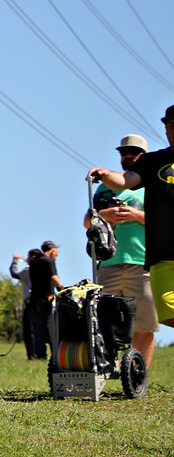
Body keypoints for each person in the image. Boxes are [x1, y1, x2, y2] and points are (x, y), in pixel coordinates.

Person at [89, 106, 174, 330]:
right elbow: (125, 180)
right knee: (168, 311)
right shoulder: (154, 161)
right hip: (163, 255)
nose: (173, 129)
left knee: (147, 325)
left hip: (142, 262)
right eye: (169, 125)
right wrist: (106, 175)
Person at [82, 134, 158, 366]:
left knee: (145, 324)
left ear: (143, 156)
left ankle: (138, 374)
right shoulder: (105, 188)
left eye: (133, 153)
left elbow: (166, 220)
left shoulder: (153, 185)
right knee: (104, 321)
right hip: (108, 263)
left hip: (142, 261)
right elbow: (87, 221)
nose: (128, 157)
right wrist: (104, 215)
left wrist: (136, 215)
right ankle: (106, 369)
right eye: (124, 153)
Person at [28, 240, 62, 359]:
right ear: (52, 250)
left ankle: (40, 355)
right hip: (47, 299)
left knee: (38, 331)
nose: (57, 254)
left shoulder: (34, 262)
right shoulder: (49, 261)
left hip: (34, 300)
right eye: (57, 251)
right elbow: (54, 277)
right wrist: (62, 291)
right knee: (51, 327)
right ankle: (56, 355)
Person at [10, 248, 43, 359]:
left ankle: (32, 355)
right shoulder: (42, 268)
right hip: (41, 301)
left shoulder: (27, 270)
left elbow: (14, 273)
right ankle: (39, 353)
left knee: (29, 330)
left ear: (33, 257)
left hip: (30, 301)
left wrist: (14, 261)